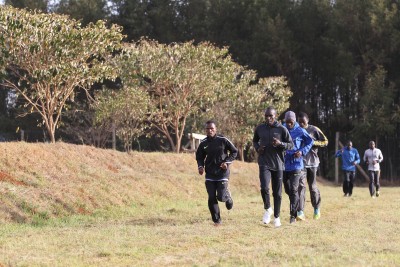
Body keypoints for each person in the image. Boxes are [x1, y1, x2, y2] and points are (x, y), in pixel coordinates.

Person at [253, 107, 293, 228]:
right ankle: (268, 208)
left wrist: (280, 144)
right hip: (264, 162)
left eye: (270, 116)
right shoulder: (260, 128)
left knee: (278, 193)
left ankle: (276, 217)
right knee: (264, 187)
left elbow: (291, 145)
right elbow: (255, 140)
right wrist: (257, 148)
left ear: (275, 116)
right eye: (266, 116)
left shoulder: (282, 129)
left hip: (278, 164)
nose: (268, 118)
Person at [196, 120, 238, 226]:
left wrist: (227, 162)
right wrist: (200, 166)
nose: (210, 130)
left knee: (220, 197)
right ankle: (217, 221)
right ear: (205, 130)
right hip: (210, 174)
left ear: (215, 129)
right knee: (211, 197)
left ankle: (227, 196)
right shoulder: (203, 143)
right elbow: (199, 157)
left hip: (222, 173)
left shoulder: (223, 140)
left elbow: (234, 151)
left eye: (212, 129)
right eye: (208, 129)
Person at [282, 111, 314, 224]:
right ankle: (295, 205)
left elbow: (310, 141)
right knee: (288, 190)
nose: (289, 124)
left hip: (296, 164)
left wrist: (301, 151)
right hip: (284, 165)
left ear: (294, 121)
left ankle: (293, 215)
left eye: (291, 122)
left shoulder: (300, 130)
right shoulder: (282, 128)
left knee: (294, 189)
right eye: (287, 122)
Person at [297, 112, 328, 220]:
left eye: (303, 122)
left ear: (308, 121)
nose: (301, 124)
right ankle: (300, 212)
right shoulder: (296, 130)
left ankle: (316, 209)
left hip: (313, 163)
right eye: (299, 122)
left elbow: (325, 141)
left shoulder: (314, 129)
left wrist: (313, 143)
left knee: (313, 187)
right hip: (300, 163)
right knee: (301, 187)